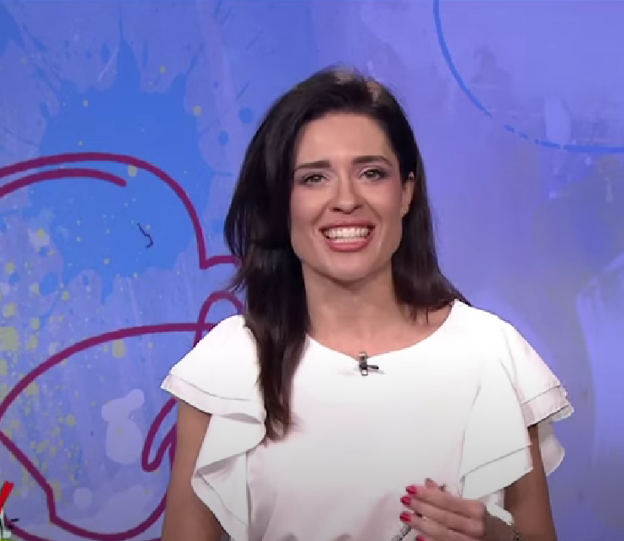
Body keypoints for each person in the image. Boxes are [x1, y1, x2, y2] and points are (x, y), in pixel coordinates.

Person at [160, 67, 572, 541]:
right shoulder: (228, 366)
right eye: (314, 178)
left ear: (406, 193)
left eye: (371, 173)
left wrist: (499, 539)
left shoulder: (490, 353)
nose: (346, 200)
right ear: (280, 203)